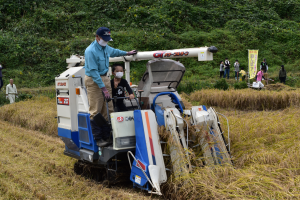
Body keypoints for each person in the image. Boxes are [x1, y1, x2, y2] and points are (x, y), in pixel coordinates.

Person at [84, 26, 137, 147]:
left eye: (107, 39)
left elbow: (115, 52)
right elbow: (93, 71)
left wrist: (127, 53)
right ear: (97, 37)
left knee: (108, 108)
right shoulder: (90, 51)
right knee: (96, 110)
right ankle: (98, 139)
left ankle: (108, 135)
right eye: (104, 39)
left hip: (105, 78)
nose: (106, 41)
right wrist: (103, 88)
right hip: (94, 80)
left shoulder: (105, 47)